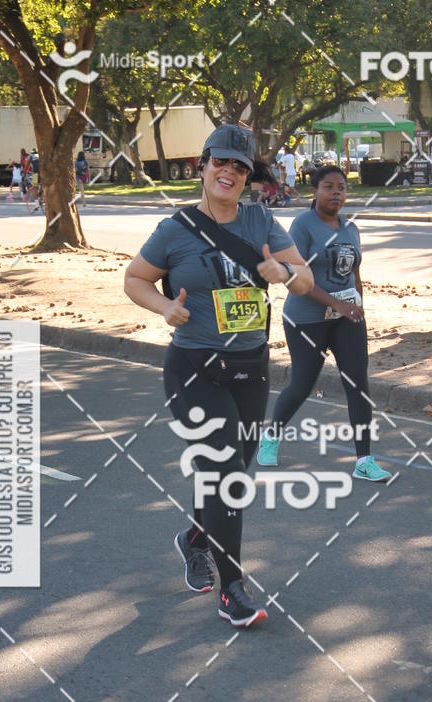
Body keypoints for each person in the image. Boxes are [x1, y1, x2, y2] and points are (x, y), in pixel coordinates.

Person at [124, 124, 313, 628]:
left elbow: (306, 278)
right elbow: (135, 278)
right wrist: (165, 307)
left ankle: (193, 537)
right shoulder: (175, 230)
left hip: (251, 368)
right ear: (202, 166)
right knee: (226, 468)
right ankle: (232, 589)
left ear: (249, 176)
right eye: (220, 163)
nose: (228, 172)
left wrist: (286, 275)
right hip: (193, 367)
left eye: (239, 166)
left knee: (232, 471)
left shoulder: (262, 221)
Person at [257, 165, 392, 483]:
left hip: (346, 318)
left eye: (342, 187)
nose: (336, 193)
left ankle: (364, 460)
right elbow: (294, 277)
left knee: (358, 384)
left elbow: (354, 273)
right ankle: (271, 436)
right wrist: (337, 304)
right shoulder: (303, 226)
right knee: (303, 384)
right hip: (306, 319)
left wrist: (358, 306)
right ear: (314, 191)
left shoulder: (351, 228)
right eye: (329, 187)